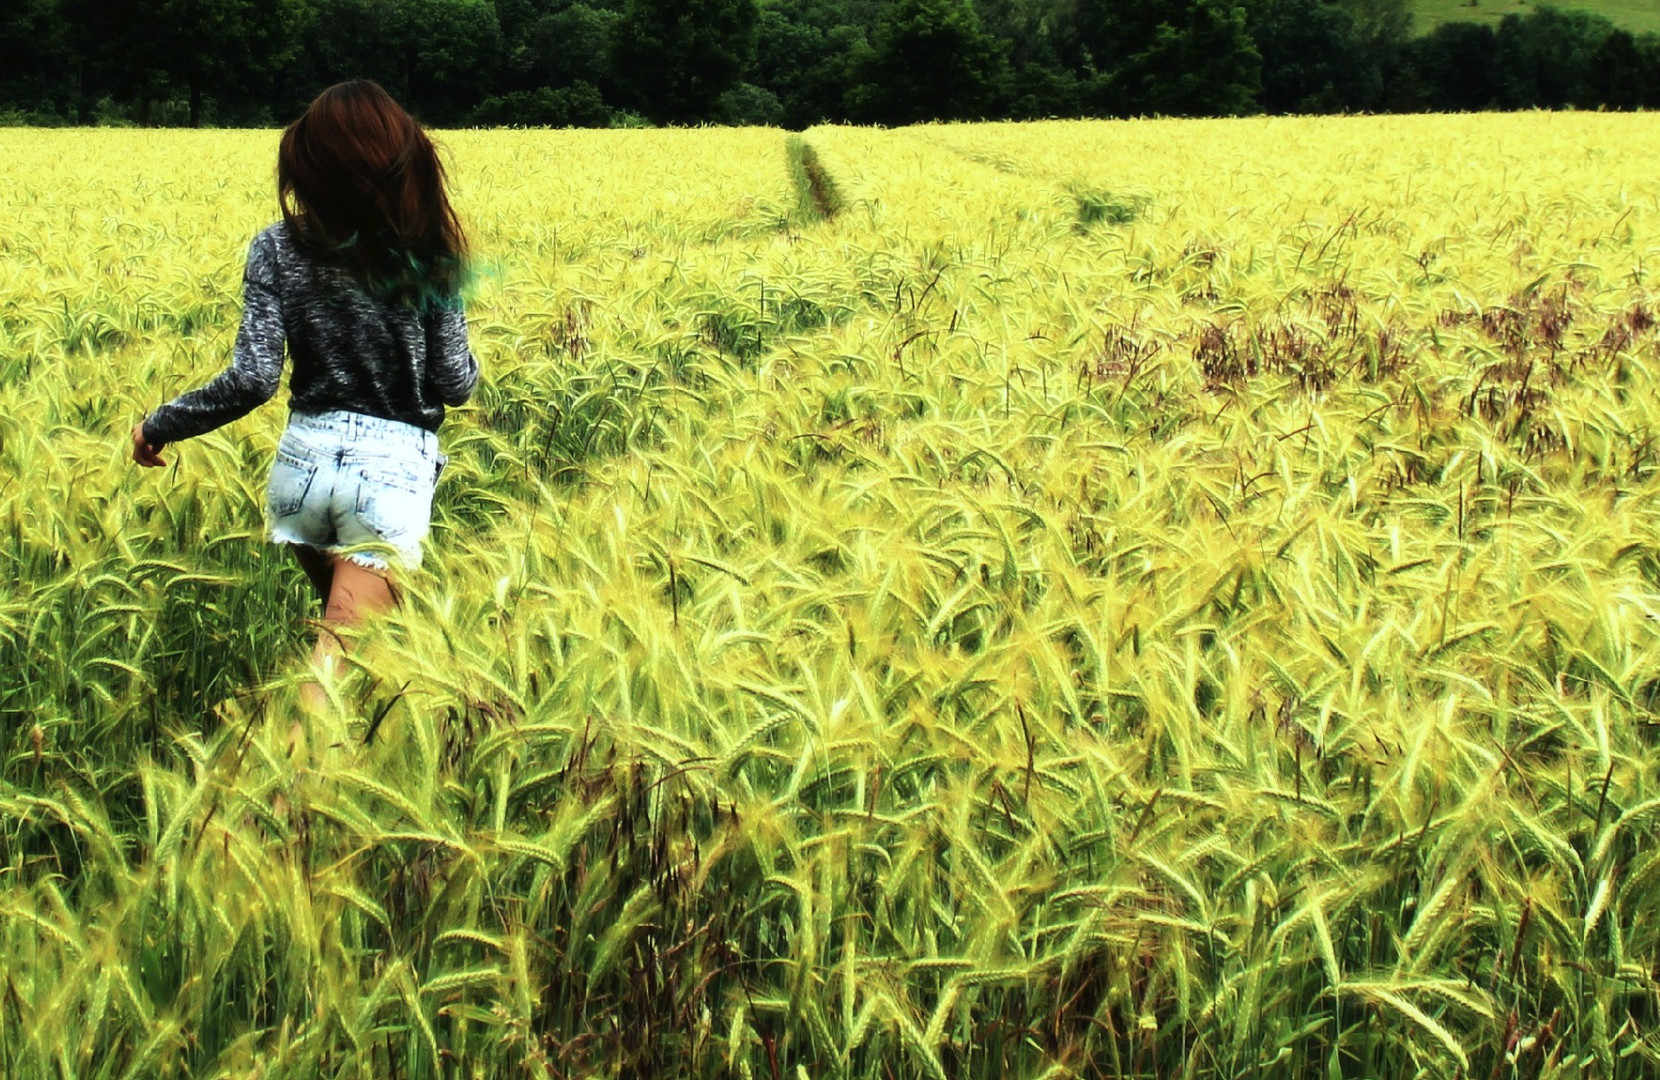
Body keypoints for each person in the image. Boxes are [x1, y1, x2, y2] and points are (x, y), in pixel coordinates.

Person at [132, 80, 478, 710]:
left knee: (358, 642)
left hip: (301, 469)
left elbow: (253, 377)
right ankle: (282, 791)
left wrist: (161, 424)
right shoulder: (429, 252)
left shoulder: (275, 246)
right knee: (340, 659)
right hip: (388, 476)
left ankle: (338, 772)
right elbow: (455, 384)